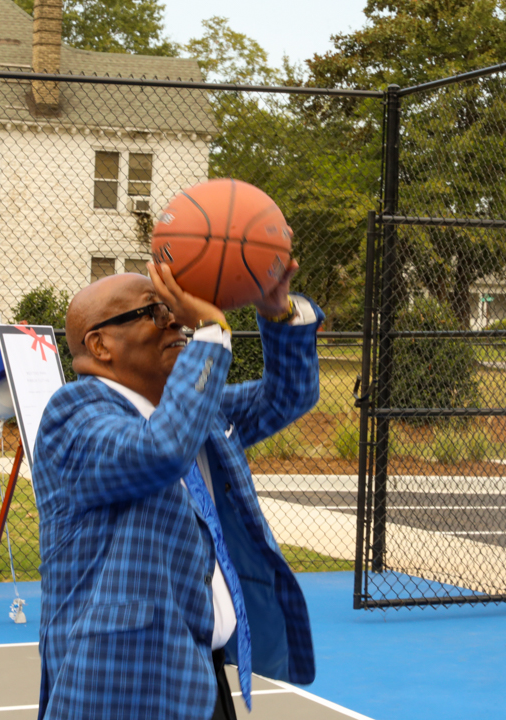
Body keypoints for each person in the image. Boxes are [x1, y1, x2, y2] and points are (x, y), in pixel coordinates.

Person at [32, 261, 322, 720]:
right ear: (100, 344)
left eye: (173, 308)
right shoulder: (72, 416)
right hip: (120, 687)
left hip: (195, 677)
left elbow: (286, 396)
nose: (175, 319)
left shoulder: (189, 411)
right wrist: (210, 332)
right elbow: (159, 451)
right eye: (153, 311)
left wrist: (277, 310)